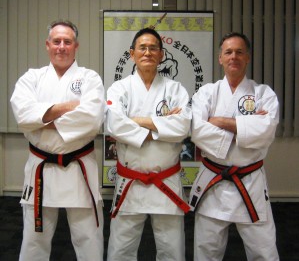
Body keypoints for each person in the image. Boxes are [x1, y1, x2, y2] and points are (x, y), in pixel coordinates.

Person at [10, 20, 105, 261]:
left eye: (67, 41)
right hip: (42, 169)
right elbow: (23, 115)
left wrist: (42, 117)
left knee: (89, 239)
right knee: (34, 241)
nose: (61, 46)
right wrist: (69, 108)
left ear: (76, 46)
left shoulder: (89, 78)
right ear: (47, 45)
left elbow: (92, 119)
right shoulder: (31, 78)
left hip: (79, 169)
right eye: (56, 41)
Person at [189, 32, 280, 261]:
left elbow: (266, 131)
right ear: (220, 58)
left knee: (264, 251)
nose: (234, 57)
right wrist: (246, 126)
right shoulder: (206, 93)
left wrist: (218, 121)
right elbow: (197, 130)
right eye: (228, 52)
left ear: (247, 57)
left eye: (239, 52)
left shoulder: (263, 94)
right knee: (206, 251)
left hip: (250, 182)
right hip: (214, 180)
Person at [106, 27, 192, 261]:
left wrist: (135, 121)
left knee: (172, 249)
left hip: (166, 180)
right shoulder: (120, 88)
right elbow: (114, 125)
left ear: (161, 54)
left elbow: (182, 127)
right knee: (121, 249)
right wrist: (162, 125)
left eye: (153, 48)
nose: (148, 52)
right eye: (142, 48)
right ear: (132, 53)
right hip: (130, 181)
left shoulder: (175, 89)